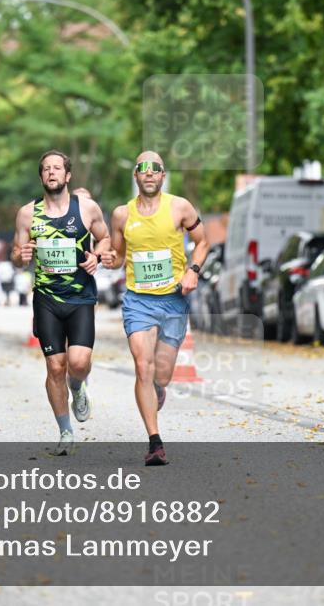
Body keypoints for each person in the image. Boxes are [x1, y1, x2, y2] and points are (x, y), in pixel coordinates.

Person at [102, 151, 209, 466]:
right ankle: (155, 442)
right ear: (135, 176)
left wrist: (194, 270)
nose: (149, 173)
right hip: (138, 301)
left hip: (173, 299)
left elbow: (203, 242)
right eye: (142, 168)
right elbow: (119, 256)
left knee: (160, 374)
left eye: (155, 169)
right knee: (142, 367)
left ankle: (158, 388)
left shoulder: (180, 207)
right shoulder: (122, 214)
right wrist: (111, 260)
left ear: (163, 176)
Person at [13, 150, 111, 456]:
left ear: (68, 176)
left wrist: (97, 257)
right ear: (41, 176)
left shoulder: (87, 208)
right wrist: (20, 257)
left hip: (80, 297)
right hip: (46, 300)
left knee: (77, 364)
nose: (51, 172)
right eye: (46, 169)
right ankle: (66, 431)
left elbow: (106, 239)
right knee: (55, 366)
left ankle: (78, 386)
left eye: (57, 168)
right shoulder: (28, 214)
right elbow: (17, 255)